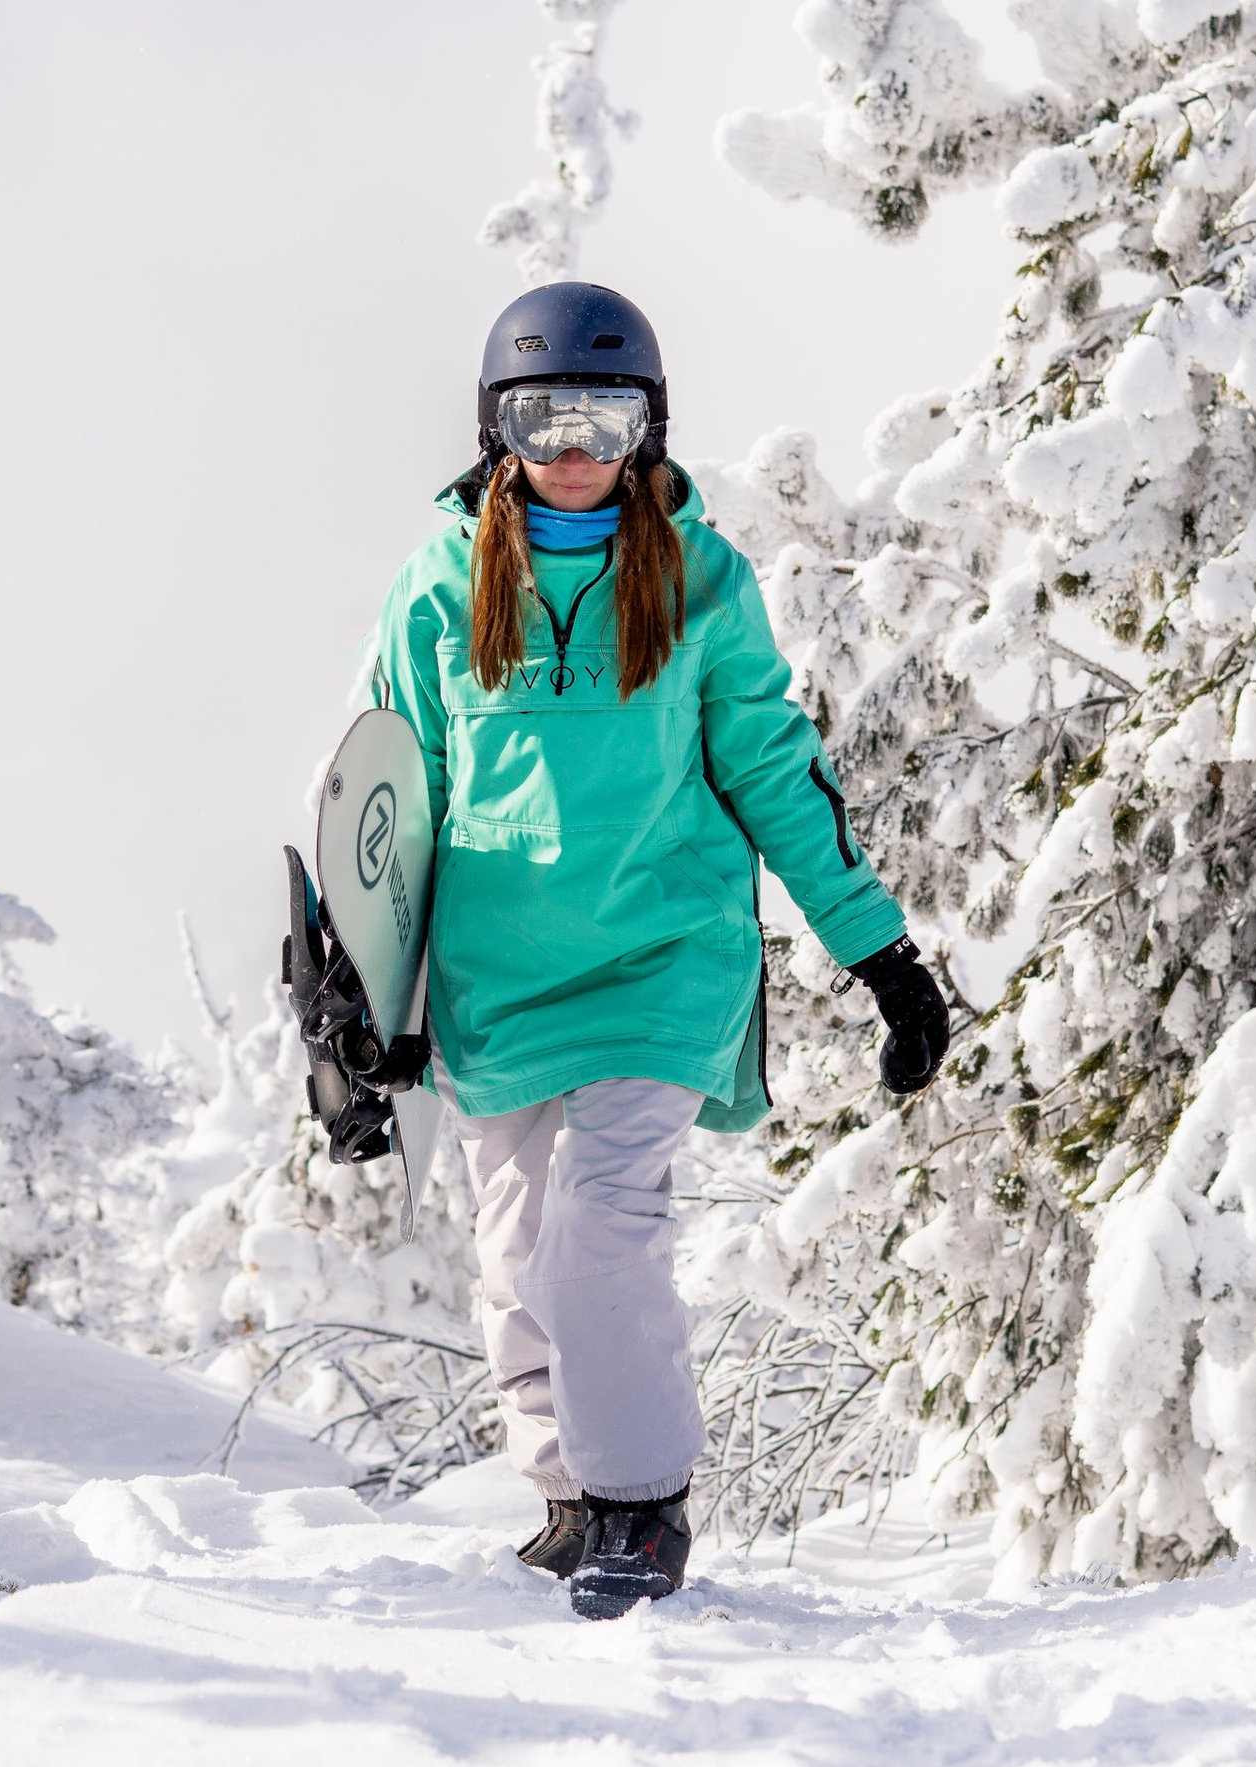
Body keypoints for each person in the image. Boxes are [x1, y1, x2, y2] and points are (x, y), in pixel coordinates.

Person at [295, 279, 954, 1623]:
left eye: (608, 411)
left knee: (599, 1231)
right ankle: (571, 1496)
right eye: (544, 416)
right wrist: (358, 1016)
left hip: (661, 959)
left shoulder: (701, 581)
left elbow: (774, 774)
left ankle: (643, 1507)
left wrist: (879, 955)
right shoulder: (438, 586)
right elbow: (389, 807)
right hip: (500, 980)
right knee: (516, 1252)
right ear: (496, 429)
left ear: (654, 426)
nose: (576, 445)